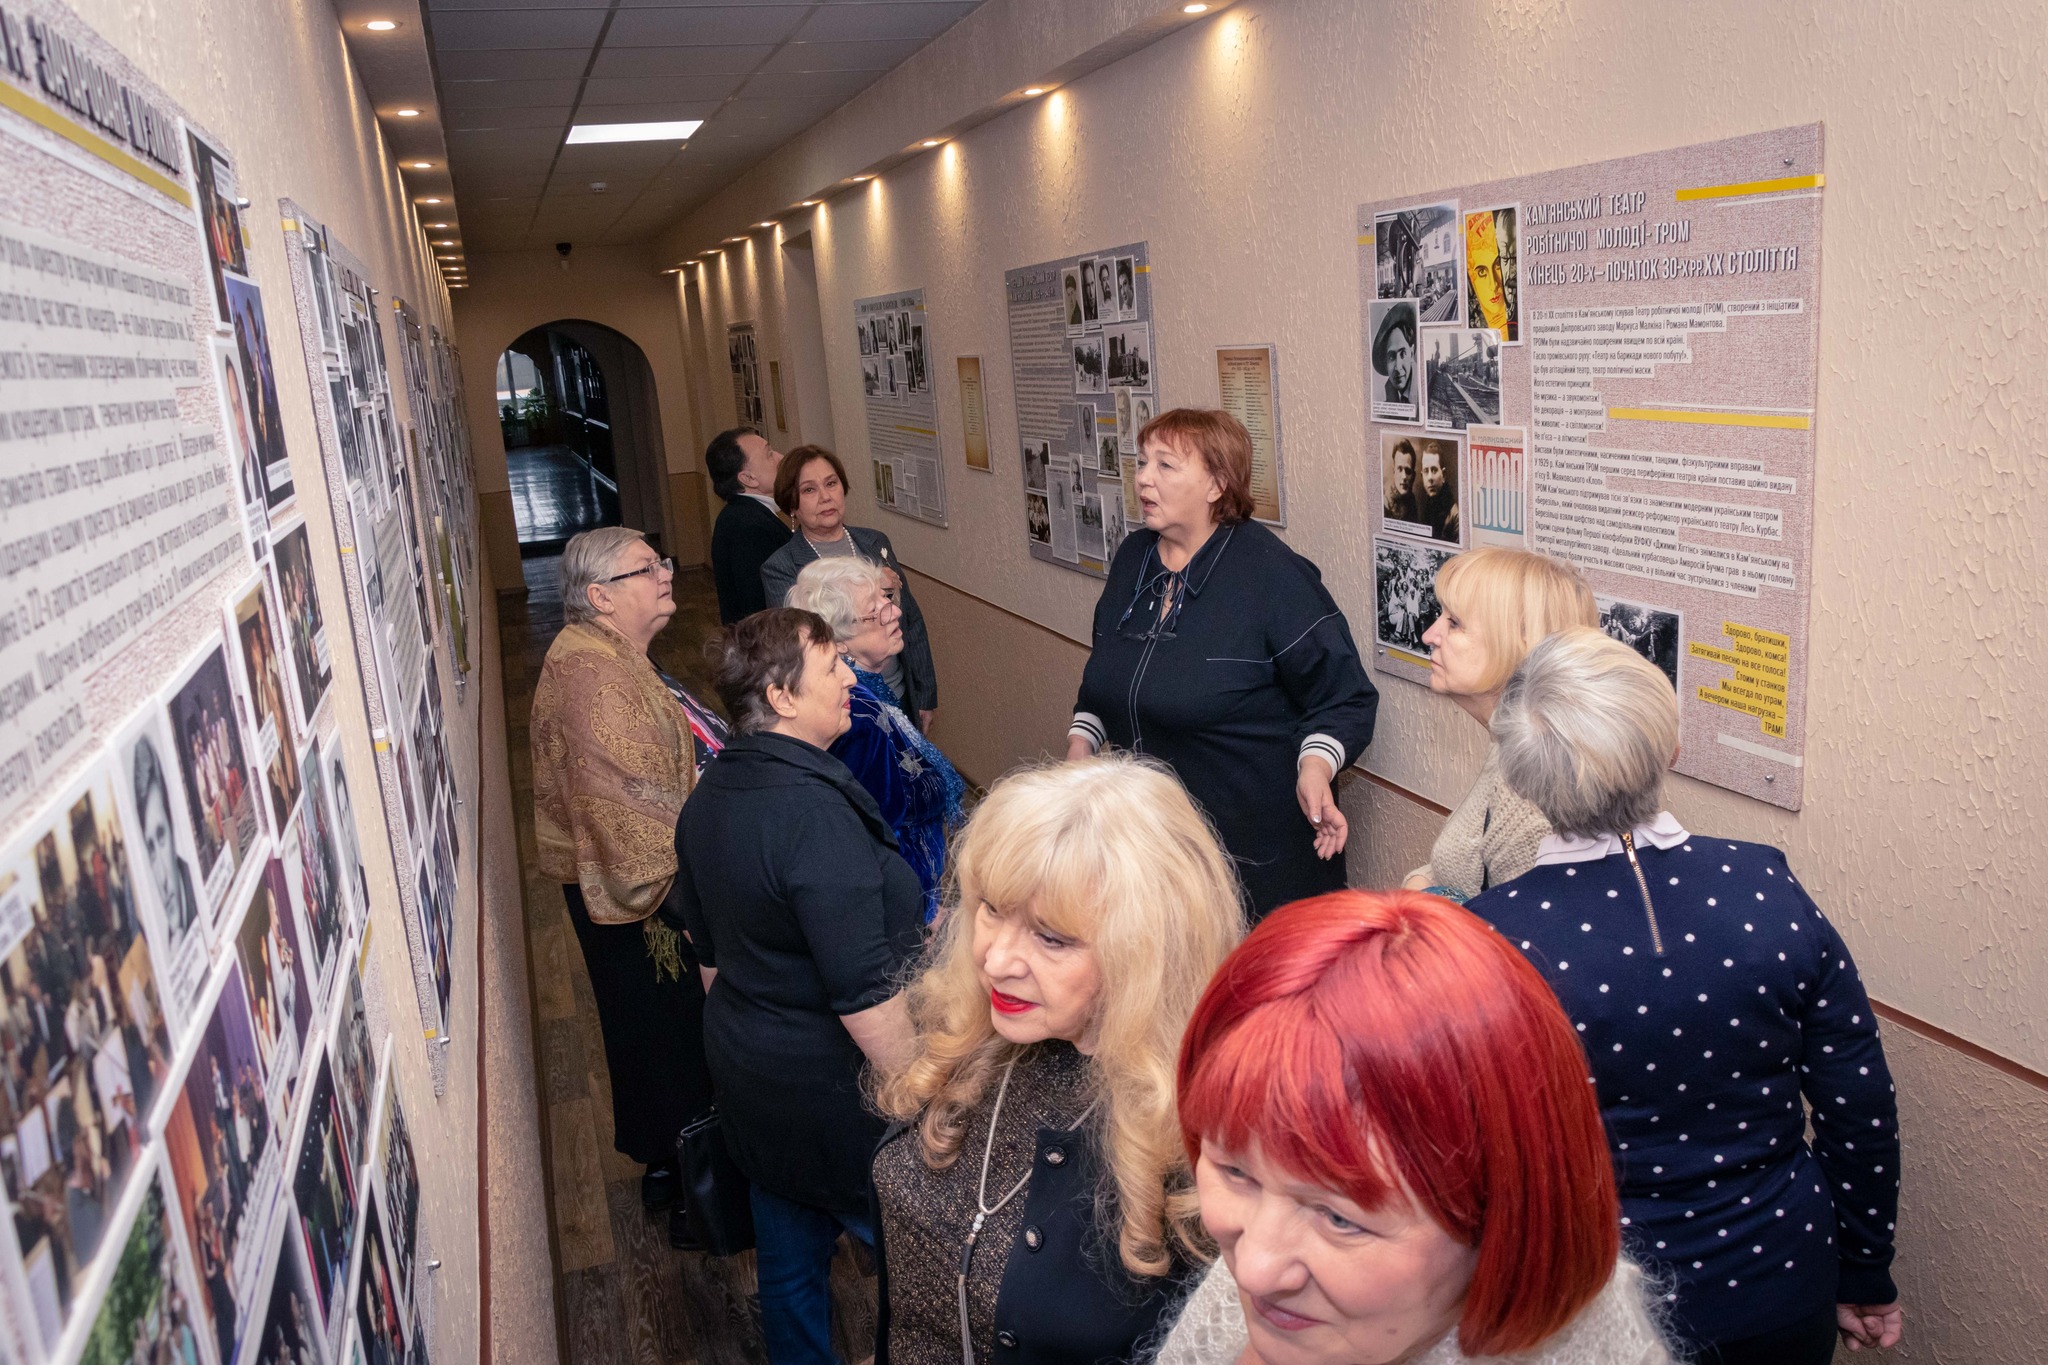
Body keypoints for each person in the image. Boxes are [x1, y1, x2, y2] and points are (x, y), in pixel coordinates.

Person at [1469, 628, 1903, 1364]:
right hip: (1781, 1281)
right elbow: (1858, 1103)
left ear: (1517, 777)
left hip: (1587, 1305)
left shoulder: (1486, 940)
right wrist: (1864, 1268)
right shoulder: (1767, 886)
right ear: (1670, 749)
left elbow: (1466, 1152)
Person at [1155, 890, 1676, 1365]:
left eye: (1340, 1219)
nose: (1252, 1268)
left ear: (1503, 1225)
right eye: (1235, 1172)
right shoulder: (1276, 1287)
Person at [871, 756, 1244, 1365]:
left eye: (1052, 937)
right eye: (991, 908)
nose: (993, 960)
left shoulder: (1208, 1145)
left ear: (1148, 953)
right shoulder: (982, 1035)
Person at [674, 608, 924, 1365]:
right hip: (837, 1092)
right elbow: (863, 993)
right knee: (917, 1262)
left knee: (788, 1267)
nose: (852, 678)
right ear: (782, 697)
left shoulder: (710, 795)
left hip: (752, 1077)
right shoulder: (812, 812)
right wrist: (920, 1094)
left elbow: (709, 956)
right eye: (833, 668)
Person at [1067, 409, 1378, 918]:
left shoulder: (1273, 577)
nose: (1143, 477)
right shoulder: (1133, 560)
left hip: (1258, 864)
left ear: (1216, 484)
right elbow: (1104, 681)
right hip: (1156, 853)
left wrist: (1318, 767)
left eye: (1166, 465)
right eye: (1143, 462)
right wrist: (1079, 754)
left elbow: (1346, 699)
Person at [530, 528, 714, 1237]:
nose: (667, 574)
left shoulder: (602, 652)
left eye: (665, 561)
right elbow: (634, 819)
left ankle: (672, 1164)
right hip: (640, 894)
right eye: (648, 568)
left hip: (628, 880)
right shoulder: (595, 678)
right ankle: (690, 1179)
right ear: (600, 596)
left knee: (652, 1036)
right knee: (661, 1035)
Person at [1403, 548, 1596, 901]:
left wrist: (1424, 898)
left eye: (1454, 622)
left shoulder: (1532, 799)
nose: (1430, 635)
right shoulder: (1512, 746)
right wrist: (1422, 887)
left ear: (1519, 643)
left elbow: (1523, 943)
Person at [785, 558, 964, 918]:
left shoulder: (870, 687)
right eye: (876, 611)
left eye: (887, 599)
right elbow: (877, 831)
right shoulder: (853, 715)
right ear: (839, 642)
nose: (895, 613)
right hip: (901, 902)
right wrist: (921, 914)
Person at [761, 445, 940, 728]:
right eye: (809, 490)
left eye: (831, 483)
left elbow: (911, 619)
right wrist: (871, 584)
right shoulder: (781, 566)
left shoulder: (874, 542)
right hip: (844, 705)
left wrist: (925, 693)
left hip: (901, 692)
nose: (825, 497)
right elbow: (804, 645)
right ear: (792, 505)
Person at [707, 426, 787, 623]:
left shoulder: (745, 514)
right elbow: (759, 605)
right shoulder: (747, 526)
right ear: (748, 478)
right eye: (769, 454)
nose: (780, 456)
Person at [133, 735, 199, 937]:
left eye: (161, 838)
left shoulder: (199, 895)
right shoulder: (168, 939)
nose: (162, 876)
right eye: (151, 849)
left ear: (172, 829)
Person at [1373, 302, 1415, 407]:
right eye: (1391, 357)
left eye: (1403, 354)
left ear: (1412, 353)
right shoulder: (1390, 398)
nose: (1398, 367)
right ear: (1385, 362)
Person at [1415, 443, 1459, 542]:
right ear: (1422, 476)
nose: (1430, 477)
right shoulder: (1421, 509)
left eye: (1434, 470)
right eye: (1426, 471)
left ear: (1443, 475)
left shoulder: (1454, 514)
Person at [1383, 439, 1420, 524]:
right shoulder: (1385, 505)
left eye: (1408, 471)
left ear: (1413, 476)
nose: (1404, 477)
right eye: (1399, 469)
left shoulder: (1412, 501)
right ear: (1394, 471)